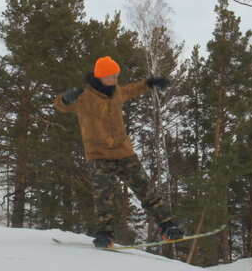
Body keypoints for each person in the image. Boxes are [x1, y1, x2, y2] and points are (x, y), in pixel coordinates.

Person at [54, 56, 183, 248]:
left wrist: (150, 83)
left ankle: (167, 225)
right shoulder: (84, 97)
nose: (115, 79)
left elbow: (133, 89)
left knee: (145, 189)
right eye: (111, 76)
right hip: (98, 155)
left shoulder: (116, 92)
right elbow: (60, 105)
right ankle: (105, 235)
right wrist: (65, 98)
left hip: (123, 152)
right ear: (100, 77)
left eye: (116, 75)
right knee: (103, 196)